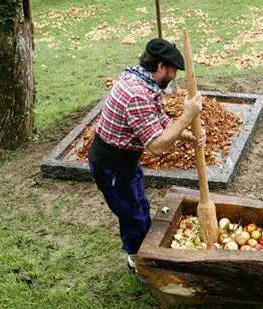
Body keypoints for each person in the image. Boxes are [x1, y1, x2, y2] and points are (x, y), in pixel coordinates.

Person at [88, 38, 205, 272]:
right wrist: (187, 115)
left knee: (139, 205)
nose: (174, 76)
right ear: (161, 67)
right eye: (173, 70)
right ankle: (137, 261)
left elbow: (157, 121)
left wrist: (186, 135)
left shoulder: (140, 81)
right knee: (132, 216)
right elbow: (157, 146)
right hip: (112, 165)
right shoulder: (136, 94)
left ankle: (145, 249)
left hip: (126, 161)